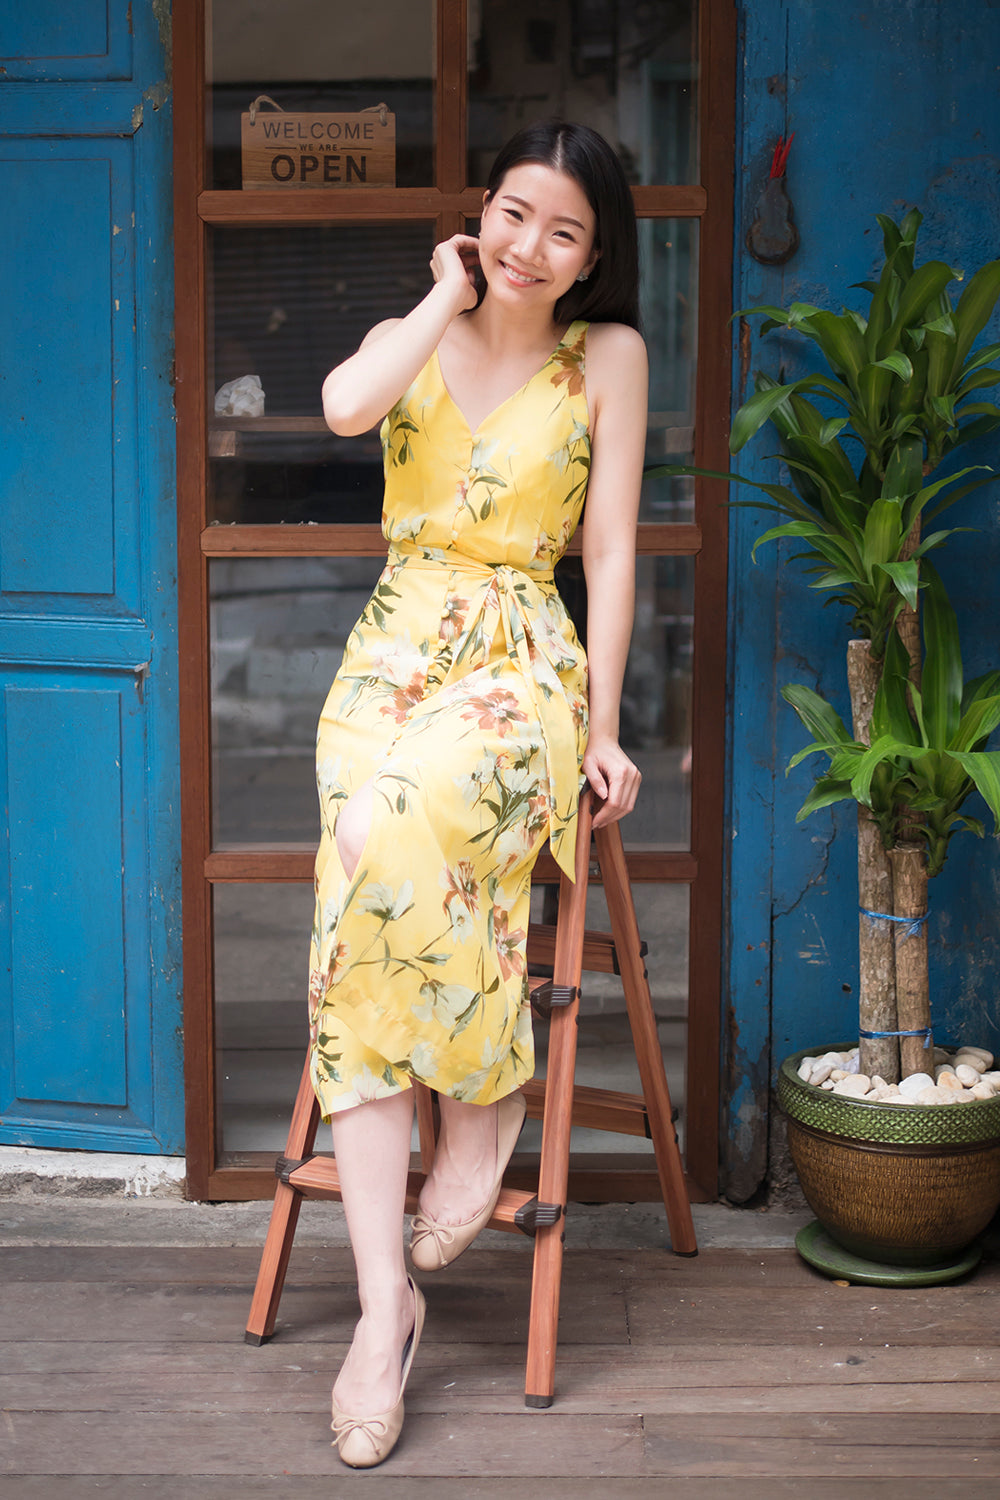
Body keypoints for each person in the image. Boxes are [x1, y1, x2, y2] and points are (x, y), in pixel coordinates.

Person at [312, 119, 647, 1467]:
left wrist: (608, 726)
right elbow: (344, 406)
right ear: (481, 215)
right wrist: (442, 290)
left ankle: (481, 1106)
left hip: (521, 662)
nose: (530, 247)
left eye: (563, 231)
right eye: (514, 215)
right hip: (391, 652)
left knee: (385, 836)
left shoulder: (606, 356)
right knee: (365, 843)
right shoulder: (435, 317)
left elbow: (612, 553)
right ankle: (384, 1303)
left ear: (593, 256)